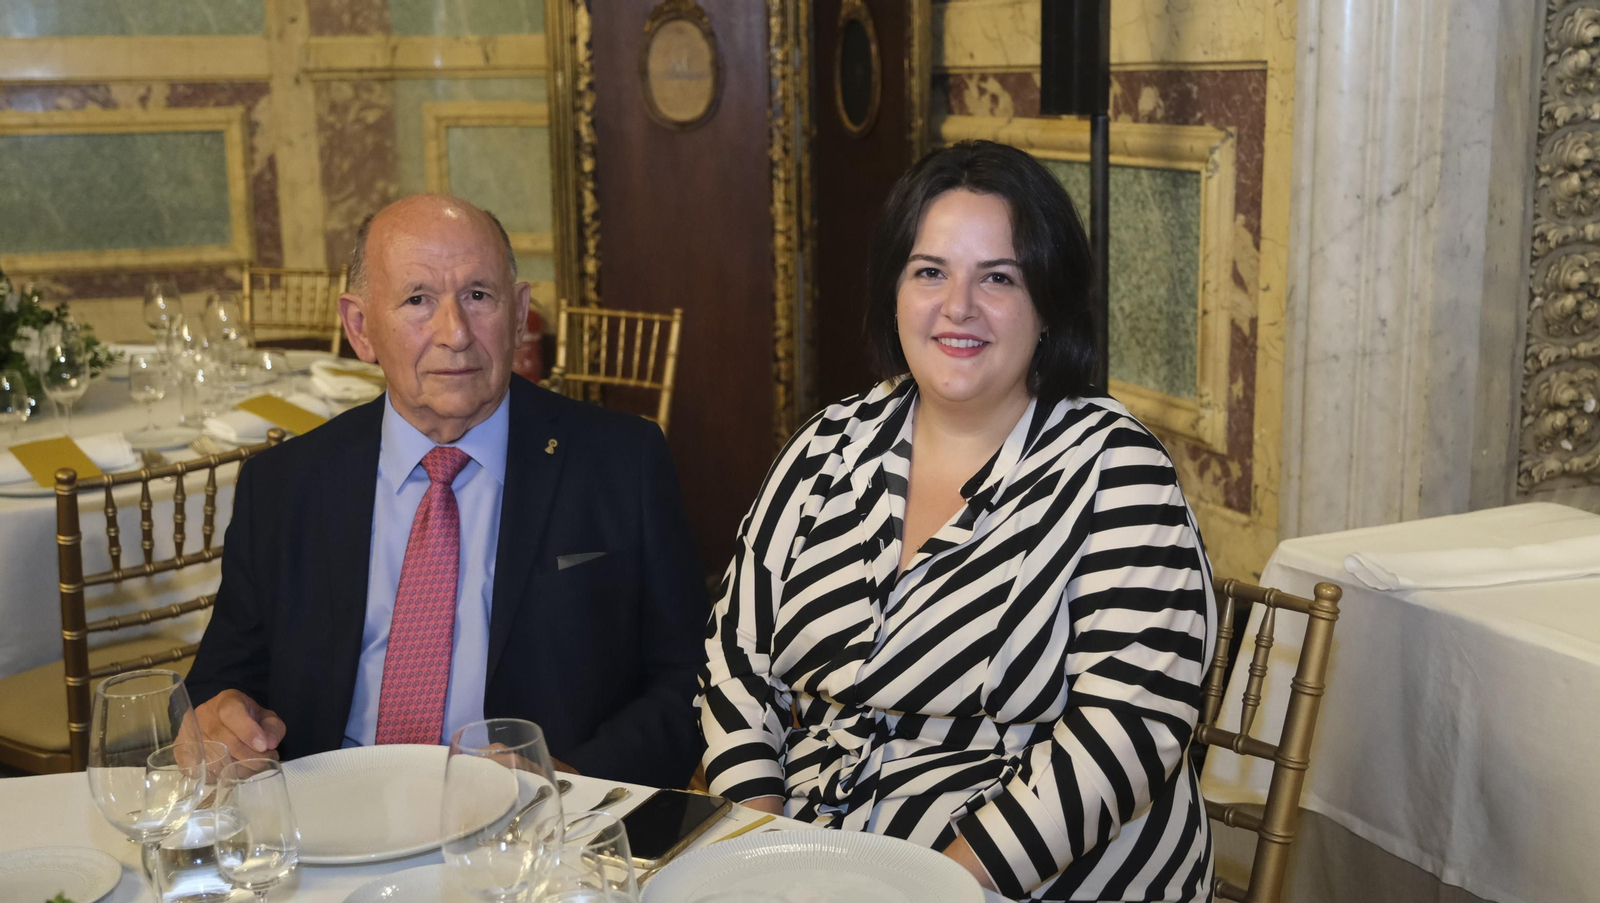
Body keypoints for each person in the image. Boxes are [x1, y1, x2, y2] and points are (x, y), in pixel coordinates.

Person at [698, 141, 1217, 901]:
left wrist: (929, 885)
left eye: (998, 277)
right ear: (894, 292)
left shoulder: (1117, 469)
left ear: (1047, 306)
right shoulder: (825, 448)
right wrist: (766, 853)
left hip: (1034, 875)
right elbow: (735, 662)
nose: (958, 307)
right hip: (813, 863)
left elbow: (1126, 731)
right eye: (930, 271)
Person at [186, 194, 705, 788]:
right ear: (360, 327)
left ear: (518, 313)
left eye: (479, 296)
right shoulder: (284, 486)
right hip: (329, 817)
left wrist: (574, 778)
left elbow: (691, 679)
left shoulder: (622, 463)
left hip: (534, 829)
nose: (455, 333)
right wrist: (224, 721)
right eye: (417, 300)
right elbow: (220, 686)